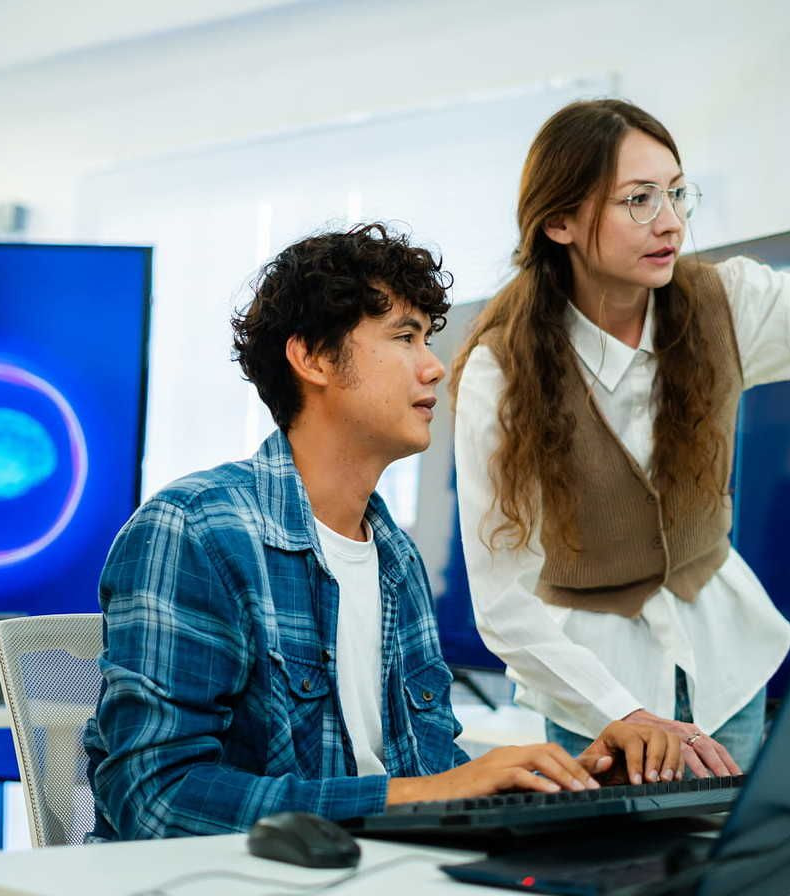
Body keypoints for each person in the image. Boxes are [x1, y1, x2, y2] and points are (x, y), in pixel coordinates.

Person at [83, 223, 681, 839]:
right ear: (312, 357)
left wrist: (562, 787)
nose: (435, 369)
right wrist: (425, 792)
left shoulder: (394, 556)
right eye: (404, 337)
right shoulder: (197, 531)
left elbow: (427, 774)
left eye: (429, 340)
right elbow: (155, 796)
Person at [451, 99, 790, 776]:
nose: (670, 221)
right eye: (638, 200)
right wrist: (623, 714)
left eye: (674, 192)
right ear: (559, 221)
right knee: (617, 872)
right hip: (598, 694)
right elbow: (502, 598)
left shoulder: (727, 304)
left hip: (729, 663)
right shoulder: (502, 370)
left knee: (726, 870)